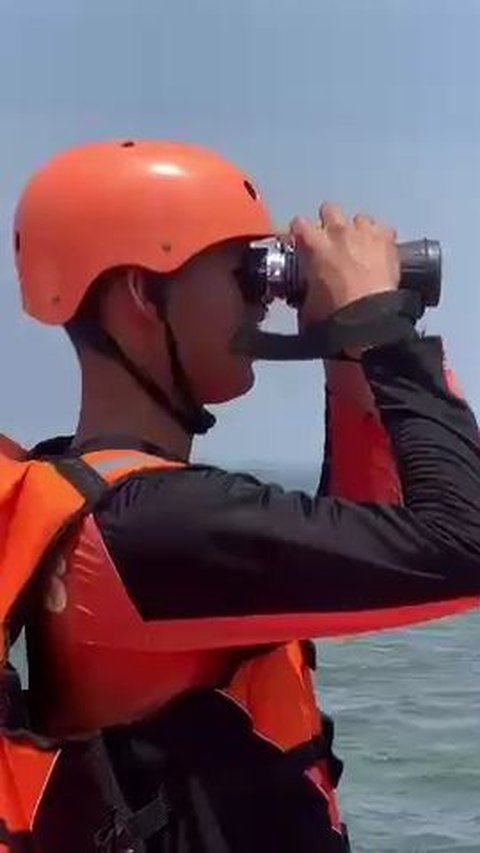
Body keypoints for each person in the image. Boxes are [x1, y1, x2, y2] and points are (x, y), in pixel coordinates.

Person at [2, 139, 480, 853]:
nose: (264, 299)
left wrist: (346, 356)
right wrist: (382, 325)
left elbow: (379, 533)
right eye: (244, 272)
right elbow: (463, 546)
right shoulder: (157, 529)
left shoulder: (104, 503)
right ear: (140, 291)